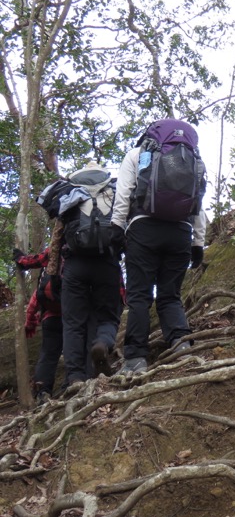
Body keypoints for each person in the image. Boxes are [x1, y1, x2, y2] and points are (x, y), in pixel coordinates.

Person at [112, 119, 207, 375]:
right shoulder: (193, 160)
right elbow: (198, 203)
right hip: (180, 231)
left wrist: (116, 229)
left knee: (140, 296)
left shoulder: (137, 154)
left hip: (144, 229)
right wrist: (198, 242)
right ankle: (181, 346)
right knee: (170, 295)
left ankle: (135, 360)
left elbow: (123, 194)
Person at [59, 162, 124, 387]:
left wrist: (52, 273)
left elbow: (58, 234)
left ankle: (76, 377)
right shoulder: (114, 190)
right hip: (107, 261)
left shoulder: (69, 190)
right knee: (107, 314)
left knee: (73, 323)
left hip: (75, 264)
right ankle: (103, 343)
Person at [13, 237, 64, 403]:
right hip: (74, 317)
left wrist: (30, 323)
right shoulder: (80, 255)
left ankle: (42, 391)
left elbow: (35, 298)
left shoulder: (54, 253)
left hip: (51, 317)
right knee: (75, 348)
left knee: (48, 354)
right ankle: (73, 382)